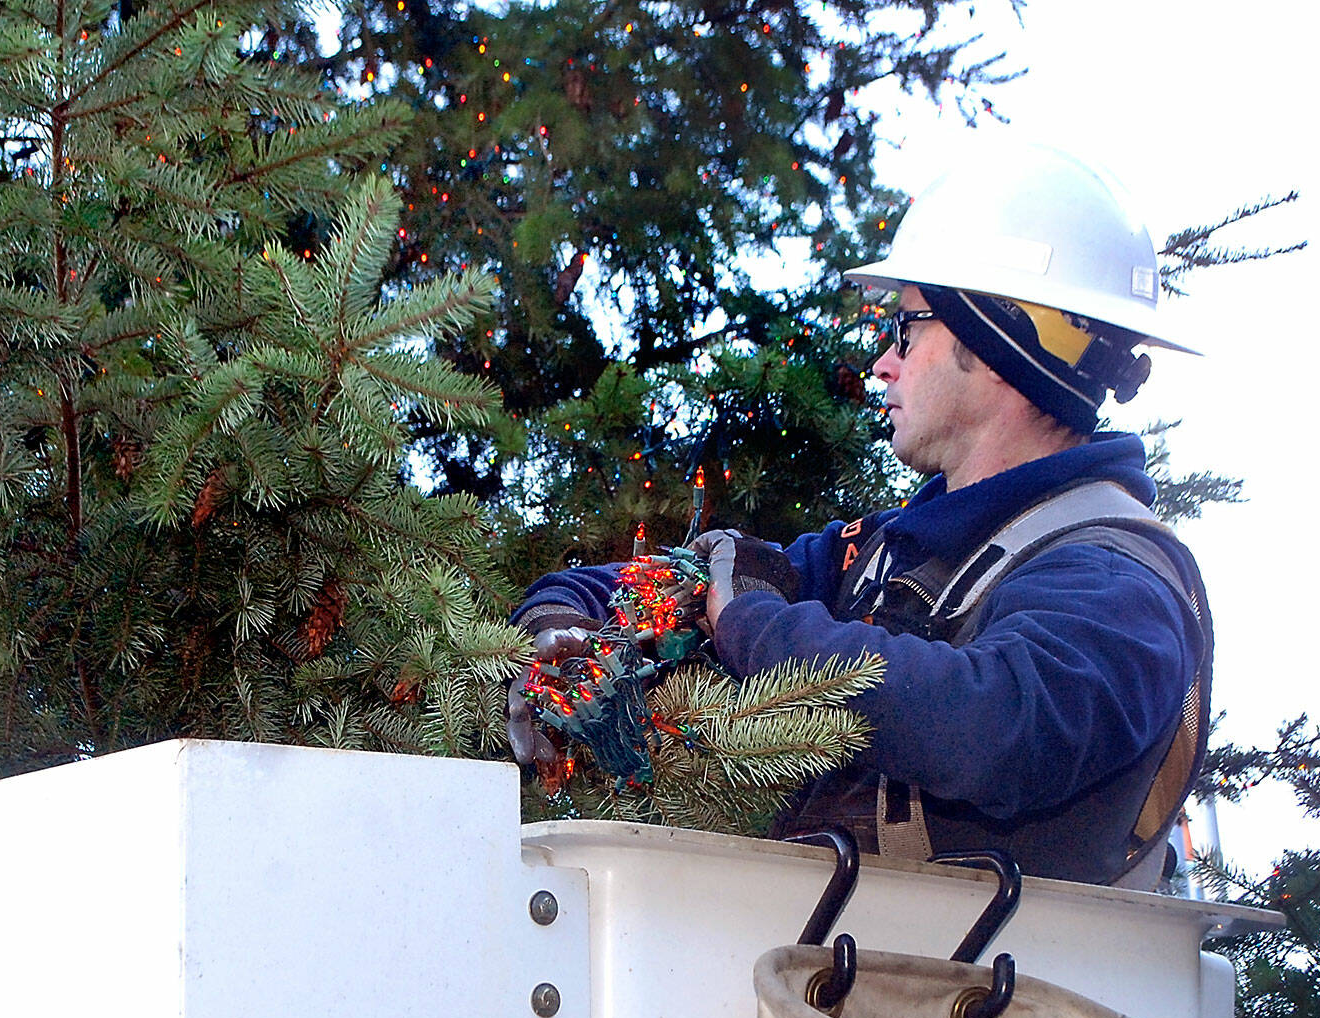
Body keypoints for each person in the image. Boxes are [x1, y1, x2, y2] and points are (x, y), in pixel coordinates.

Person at [507, 145, 1212, 888]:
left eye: (907, 326)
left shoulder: (1118, 579)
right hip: (844, 975)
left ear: (1000, 341)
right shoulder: (894, 552)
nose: (883, 360)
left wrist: (757, 626)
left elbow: (993, 723)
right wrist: (561, 623)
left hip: (1006, 993)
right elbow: (669, 581)